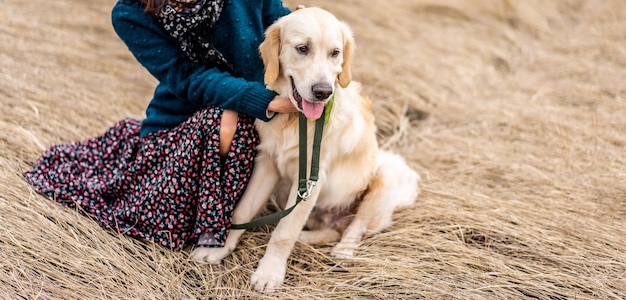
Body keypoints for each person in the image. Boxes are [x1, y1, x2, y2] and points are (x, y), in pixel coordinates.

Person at [23, 0, 299, 251]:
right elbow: (187, 78)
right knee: (227, 120)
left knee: (240, 122)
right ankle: (211, 214)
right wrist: (264, 101)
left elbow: (280, 26)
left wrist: (302, 25)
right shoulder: (130, 14)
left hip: (259, 108)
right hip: (185, 121)